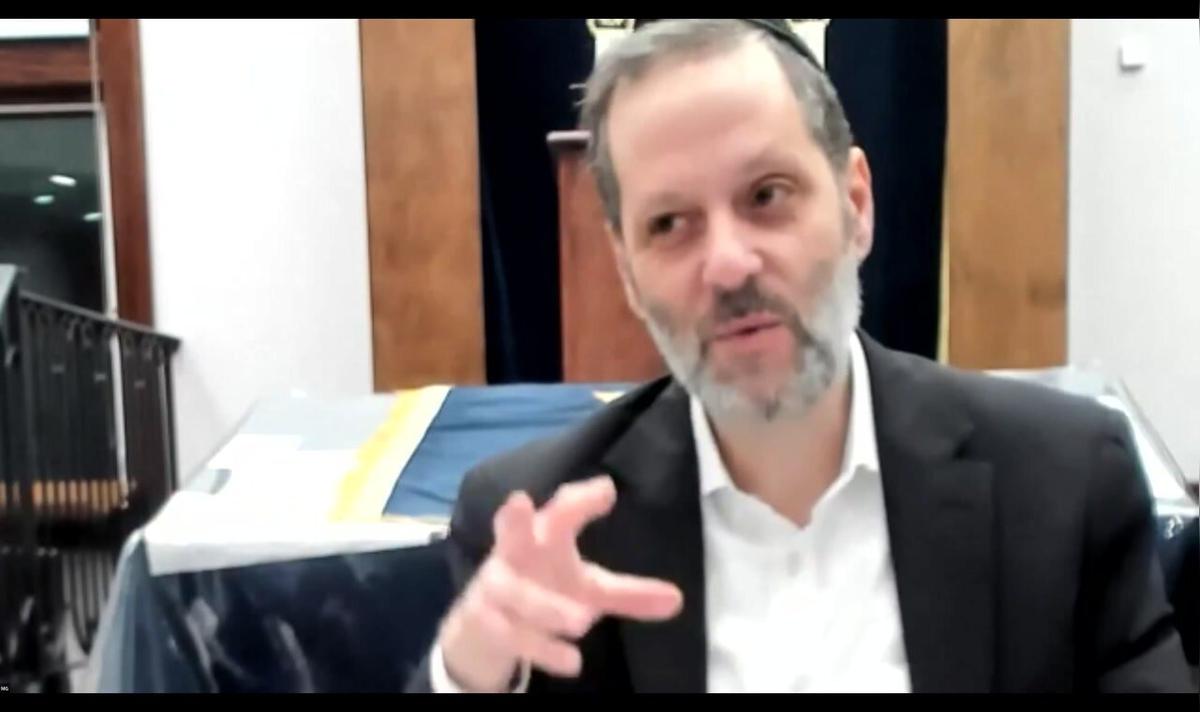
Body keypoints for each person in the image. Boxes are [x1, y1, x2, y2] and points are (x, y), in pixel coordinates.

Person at [406, 18, 1193, 693]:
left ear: (856, 204)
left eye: (767, 195)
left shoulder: (1061, 485)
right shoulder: (541, 527)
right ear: (627, 273)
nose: (728, 264)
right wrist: (468, 676)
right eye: (670, 224)